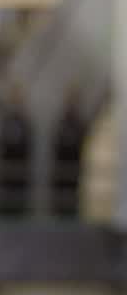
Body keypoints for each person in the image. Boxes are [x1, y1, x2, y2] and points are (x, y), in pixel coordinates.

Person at [0, 84, 32, 215]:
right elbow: (0, 142)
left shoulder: (24, 121)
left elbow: (28, 143)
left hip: (20, 166)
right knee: (6, 196)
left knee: (18, 198)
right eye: (13, 98)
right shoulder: (6, 120)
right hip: (7, 166)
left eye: (18, 99)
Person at [52, 89, 87, 218]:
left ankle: (71, 213)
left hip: (75, 165)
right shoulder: (62, 121)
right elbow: (57, 142)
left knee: (73, 194)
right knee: (61, 194)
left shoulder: (79, 122)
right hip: (62, 165)